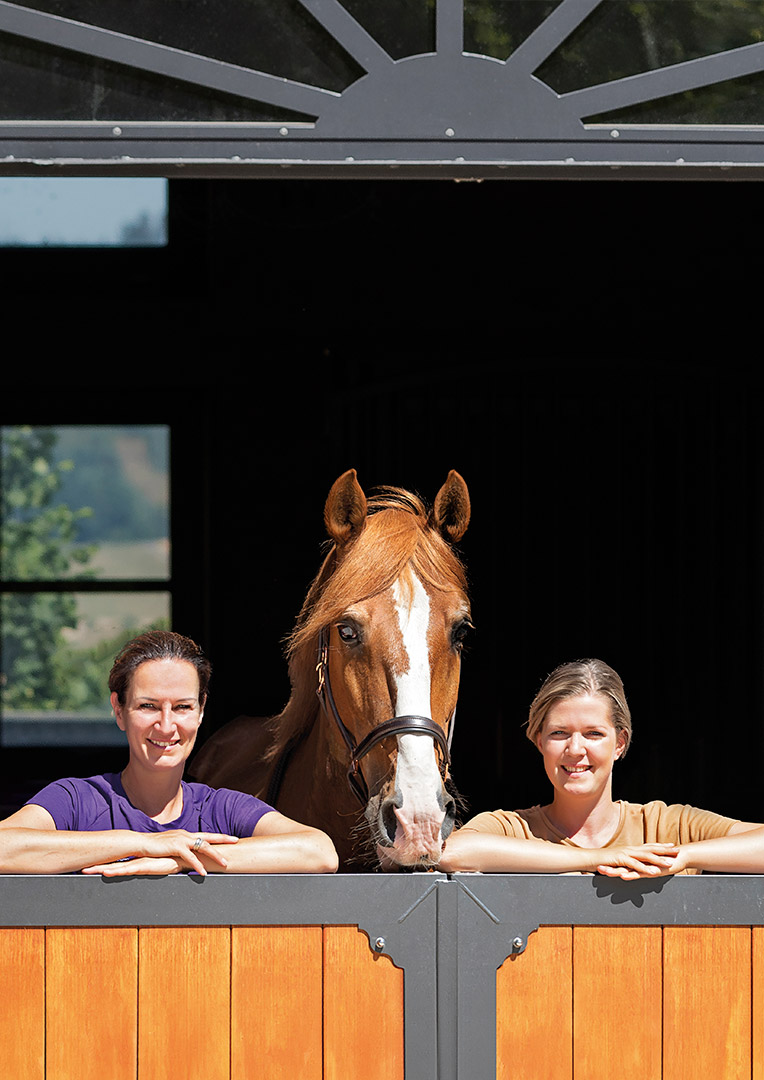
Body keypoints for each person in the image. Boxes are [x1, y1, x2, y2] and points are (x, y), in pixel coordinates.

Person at [0, 630, 338, 875]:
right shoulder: (77, 800)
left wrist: (181, 857)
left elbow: (320, 851)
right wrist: (141, 844)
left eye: (182, 707)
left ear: (201, 710)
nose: (166, 725)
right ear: (119, 710)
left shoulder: (222, 808)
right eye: (148, 706)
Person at [439, 658, 764, 878]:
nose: (575, 749)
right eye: (559, 734)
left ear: (620, 743)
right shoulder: (513, 828)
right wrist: (600, 858)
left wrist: (686, 856)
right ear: (539, 741)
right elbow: (449, 852)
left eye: (593, 734)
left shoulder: (667, 827)